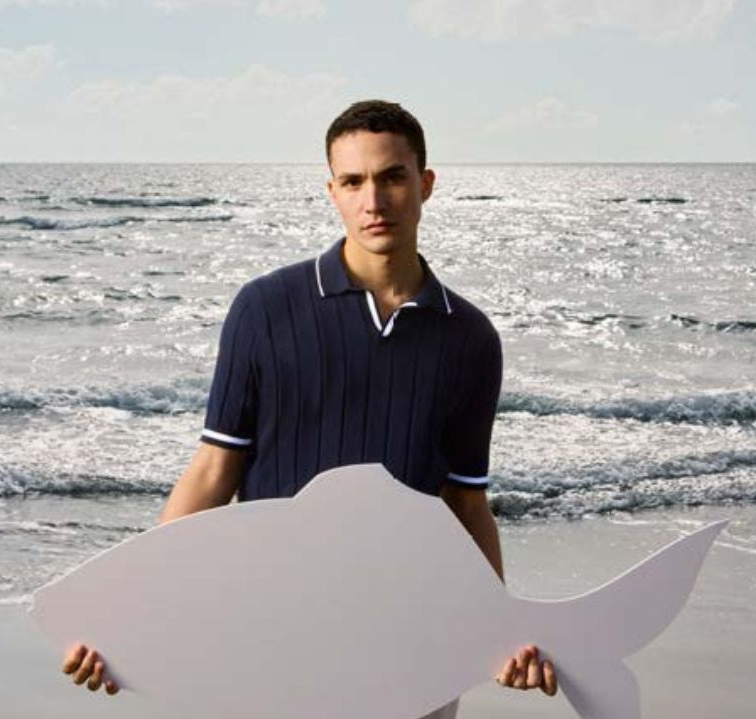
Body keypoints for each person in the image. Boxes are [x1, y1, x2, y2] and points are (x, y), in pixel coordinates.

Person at [62, 100, 558, 716]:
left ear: (425, 184)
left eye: (392, 177)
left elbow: (466, 503)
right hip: (273, 629)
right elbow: (214, 472)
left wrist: (499, 632)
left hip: (413, 638)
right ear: (332, 192)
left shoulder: (470, 337)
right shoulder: (265, 308)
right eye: (353, 181)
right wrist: (129, 613)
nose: (373, 201)